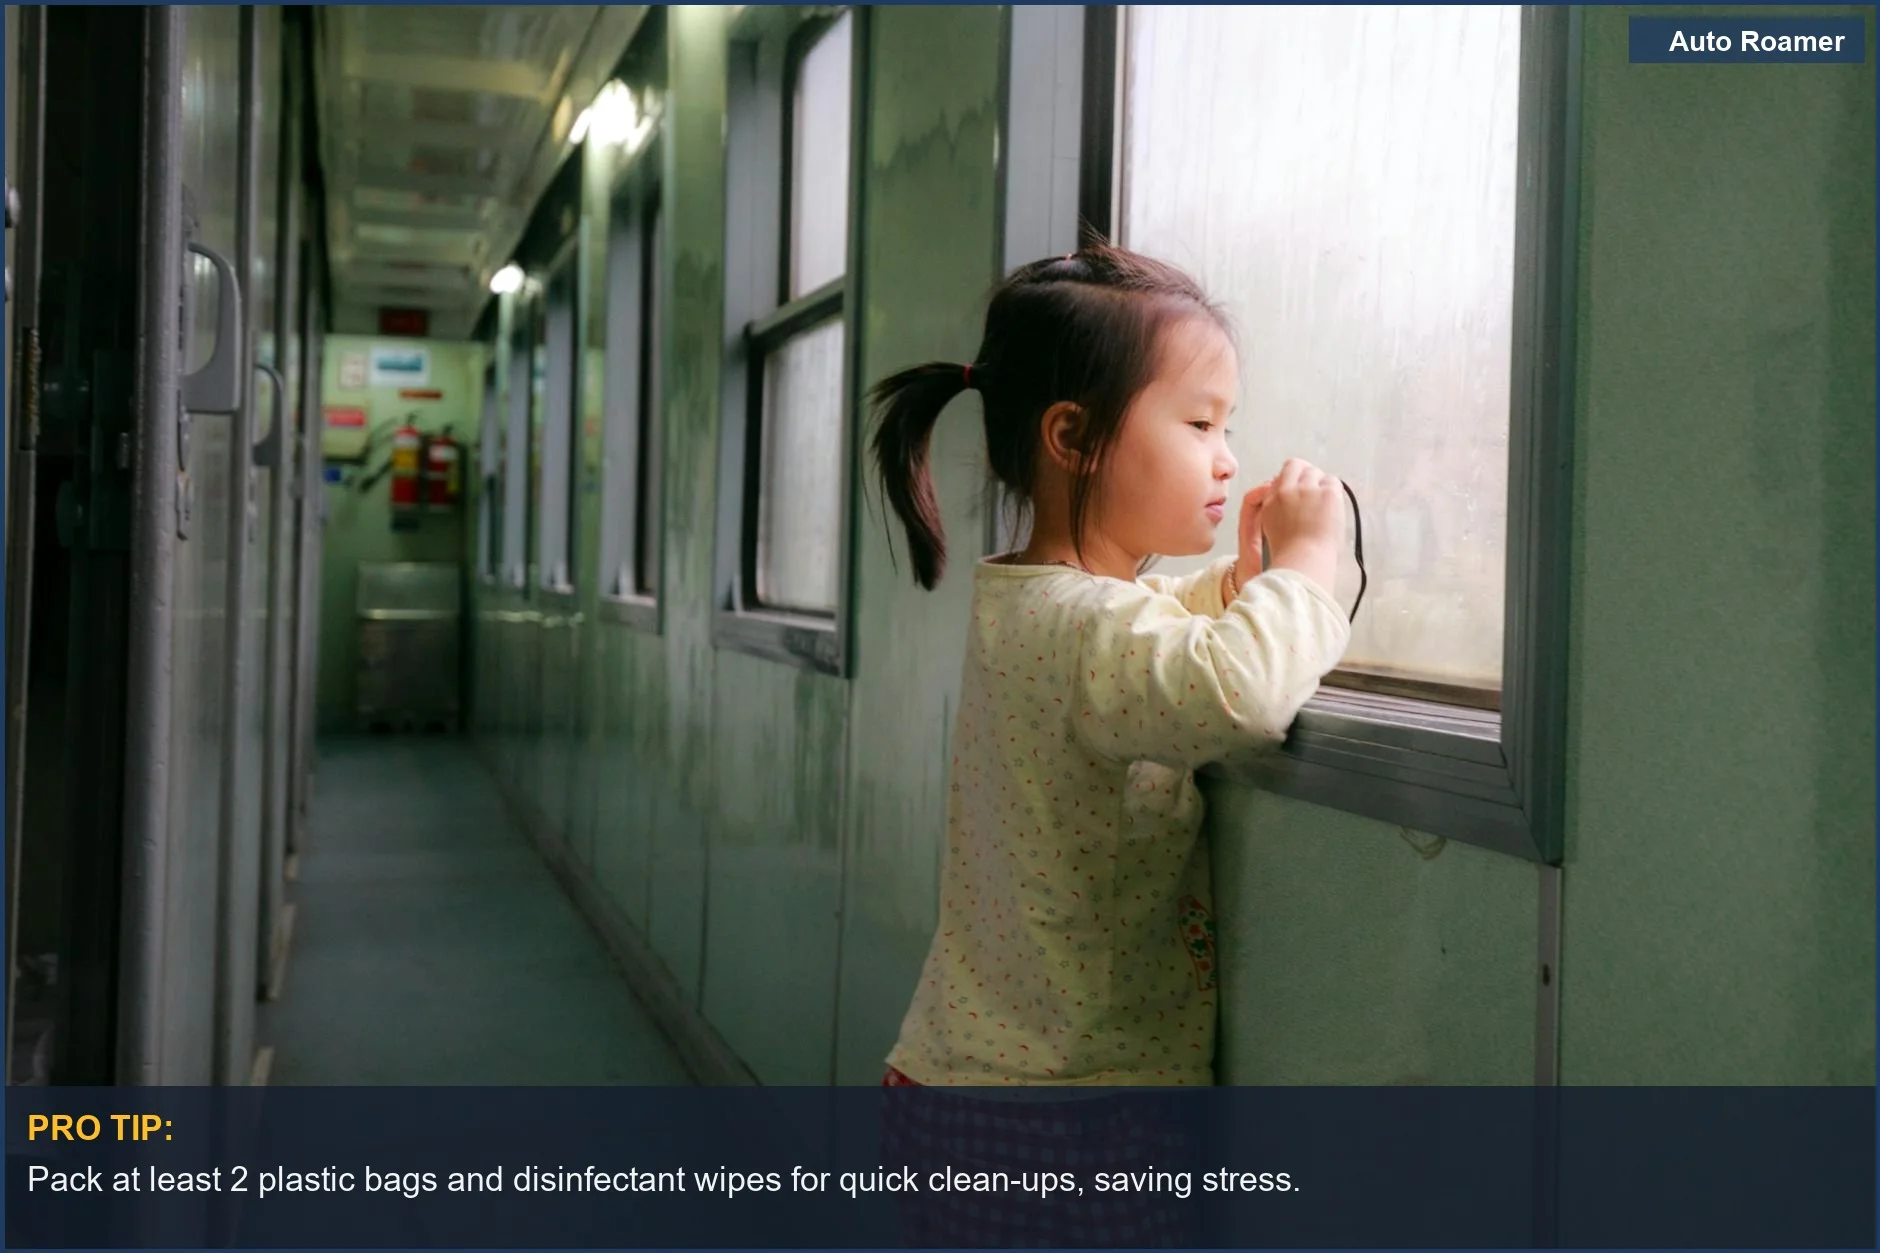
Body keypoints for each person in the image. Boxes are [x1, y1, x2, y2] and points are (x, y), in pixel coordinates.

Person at [868, 242, 1352, 1092]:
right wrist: (1308, 562)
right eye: (1201, 424)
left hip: (987, 1074)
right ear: (1075, 437)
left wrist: (1246, 585)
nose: (1227, 456)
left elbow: (1153, 631)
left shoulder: (1037, 604)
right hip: (1051, 1107)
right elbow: (1238, 693)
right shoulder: (1079, 624)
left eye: (1227, 426)